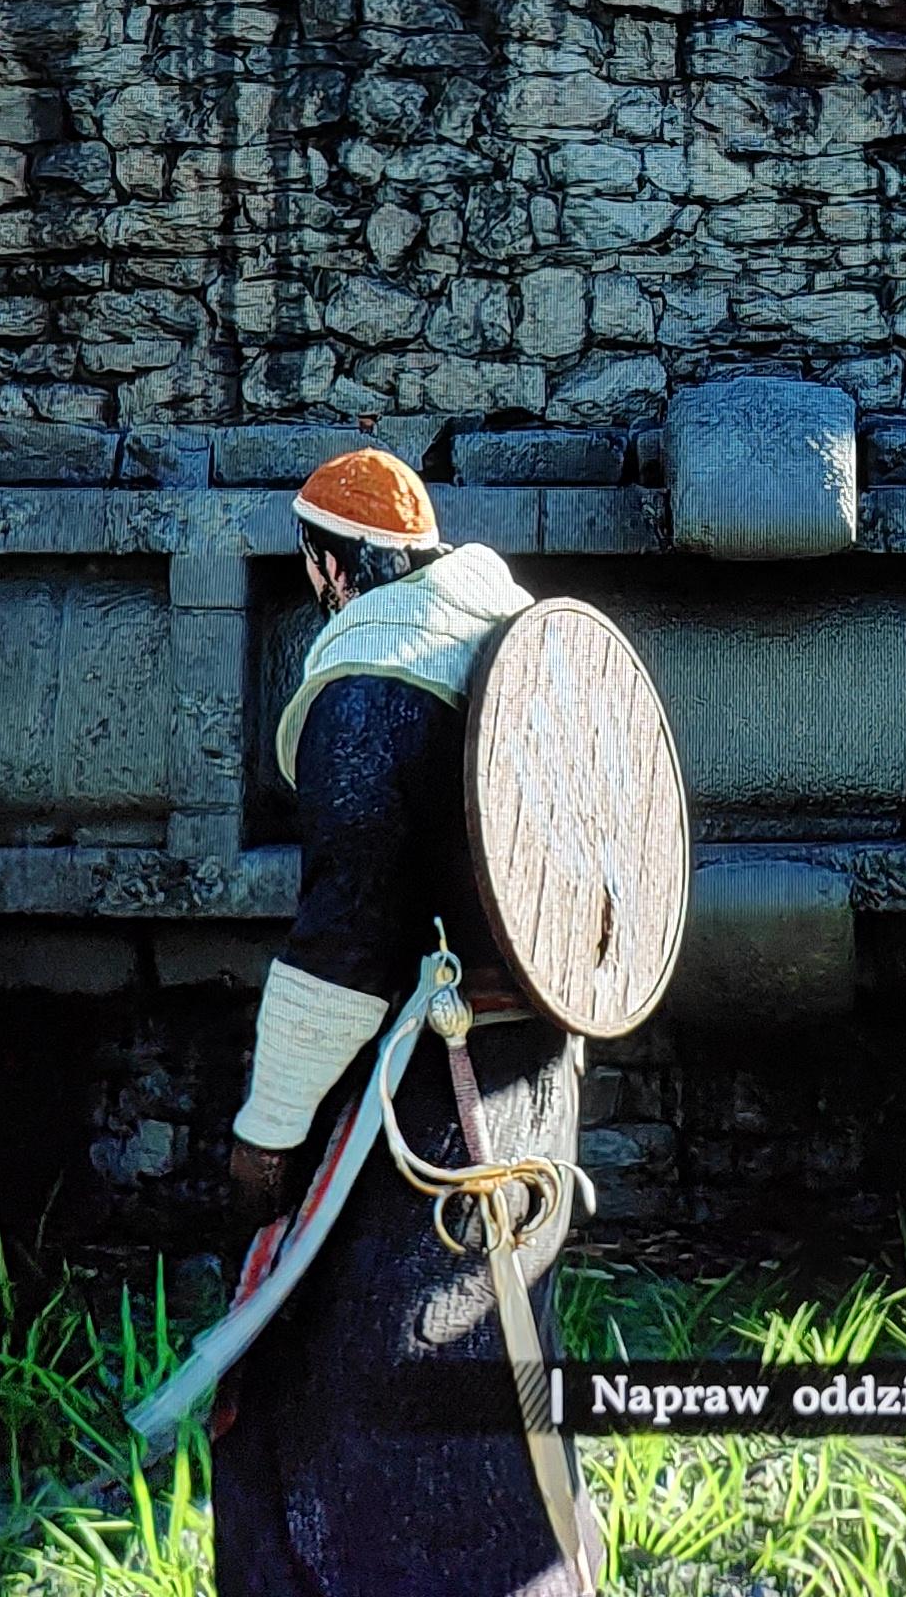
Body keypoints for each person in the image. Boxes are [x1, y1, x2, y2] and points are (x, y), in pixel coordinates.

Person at [204, 448, 599, 1596]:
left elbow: (347, 937)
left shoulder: (375, 681)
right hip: (529, 1078)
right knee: (497, 1367)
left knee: (363, 1387)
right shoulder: (513, 647)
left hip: (422, 1096)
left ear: (329, 565)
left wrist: (268, 1131)